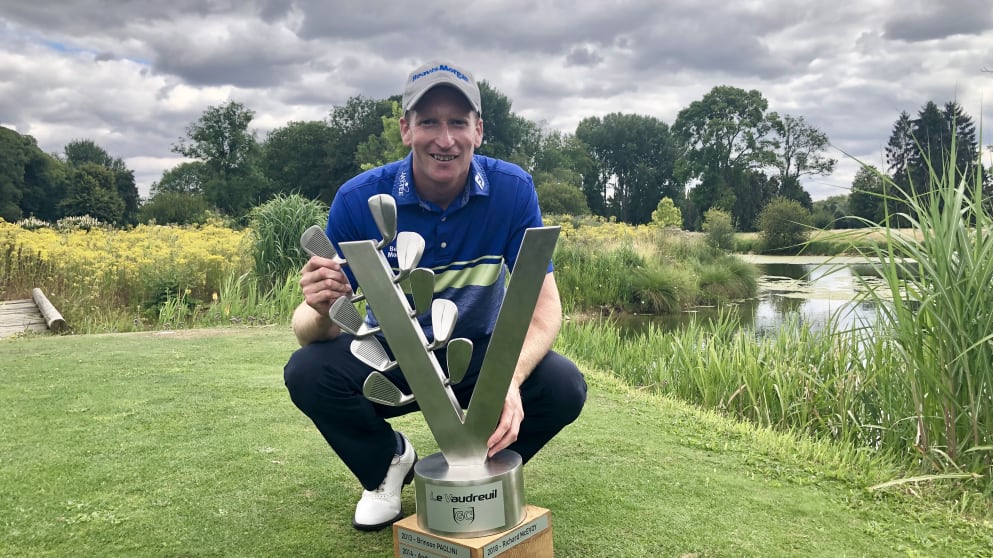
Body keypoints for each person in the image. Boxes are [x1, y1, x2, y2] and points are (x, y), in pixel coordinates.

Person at [283, 60, 587, 531]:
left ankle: (476, 473)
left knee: (563, 385)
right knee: (307, 371)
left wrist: (509, 378)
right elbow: (310, 332)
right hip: (391, 355)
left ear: (478, 130)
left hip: (479, 356)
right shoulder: (357, 199)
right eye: (428, 122)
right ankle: (386, 465)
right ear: (406, 129)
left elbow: (545, 304)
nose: (444, 139)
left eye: (457, 122)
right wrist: (320, 308)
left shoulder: (512, 190)